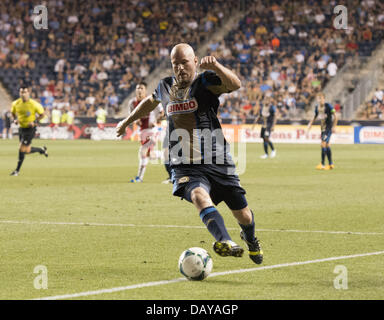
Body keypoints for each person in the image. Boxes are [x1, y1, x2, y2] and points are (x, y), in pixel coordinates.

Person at [116, 43, 263, 264]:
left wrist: (217, 67)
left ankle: (250, 239)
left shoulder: (205, 82)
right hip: (185, 164)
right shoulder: (166, 86)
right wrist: (127, 121)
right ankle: (225, 240)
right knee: (198, 195)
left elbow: (235, 84)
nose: (180, 68)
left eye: (184, 62)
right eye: (175, 64)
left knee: (243, 215)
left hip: (218, 160)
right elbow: (149, 102)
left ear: (195, 61)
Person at [127, 82, 163, 183]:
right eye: (138, 88)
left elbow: (162, 112)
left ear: (145, 90)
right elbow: (131, 116)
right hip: (142, 131)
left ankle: (139, 178)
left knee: (142, 151)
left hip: (153, 130)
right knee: (150, 155)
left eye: (141, 88)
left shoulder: (152, 100)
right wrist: (135, 120)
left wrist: (156, 120)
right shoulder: (132, 102)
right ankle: (167, 155)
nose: (139, 90)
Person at [10, 84, 48, 176]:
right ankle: (42, 150)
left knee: (21, 148)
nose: (23, 94)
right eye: (21, 92)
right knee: (26, 150)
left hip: (30, 129)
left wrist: (34, 121)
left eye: (25, 92)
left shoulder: (34, 104)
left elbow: (42, 114)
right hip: (21, 128)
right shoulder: (15, 103)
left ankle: (17, 171)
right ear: (19, 93)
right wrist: (15, 120)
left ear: (28, 93)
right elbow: (12, 113)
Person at [306, 92, 338, 170]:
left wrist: (334, 127)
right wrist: (310, 124)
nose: (319, 100)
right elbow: (315, 116)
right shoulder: (317, 107)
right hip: (323, 129)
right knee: (327, 145)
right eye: (318, 98)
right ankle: (331, 164)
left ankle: (322, 164)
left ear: (324, 98)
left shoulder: (328, 106)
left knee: (323, 144)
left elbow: (335, 116)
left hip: (328, 128)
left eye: (320, 98)